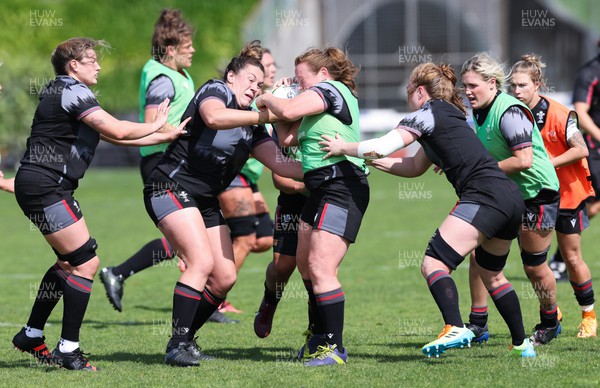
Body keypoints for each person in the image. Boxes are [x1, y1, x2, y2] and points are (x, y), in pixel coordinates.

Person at [321, 62, 535, 358]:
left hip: (484, 195)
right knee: (493, 275)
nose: (407, 97)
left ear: (420, 91)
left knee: (433, 263)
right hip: (509, 198)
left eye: (409, 91)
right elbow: (412, 166)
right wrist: (363, 160)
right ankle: (522, 345)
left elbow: (382, 147)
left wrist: (343, 147)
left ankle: (455, 326)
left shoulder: (427, 113)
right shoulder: (449, 115)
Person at [11, 37, 186, 371]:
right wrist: (153, 126)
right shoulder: (73, 91)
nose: (99, 65)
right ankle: (68, 349)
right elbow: (118, 128)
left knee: (69, 263)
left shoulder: (61, 91)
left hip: (42, 184)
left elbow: (114, 135)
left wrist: (163, 135)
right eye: (92, 59)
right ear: (73, 65)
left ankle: (32, 334)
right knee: (86, 263)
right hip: (46, 185)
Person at [142, 41, 303, 367]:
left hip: (203, 200)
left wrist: (337, 167)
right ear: (231, 76)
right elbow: (213, 118)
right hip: (169, 186)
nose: (255, 87)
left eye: (260, 84)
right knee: (200, 263)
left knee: (224, 277)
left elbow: (285, 167)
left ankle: (185, 339)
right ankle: (176, 345)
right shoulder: (216, 91)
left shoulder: (251, 126)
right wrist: (263, 114)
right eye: (250, 79)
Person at [97, 9, 236, 324]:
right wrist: (168, 132)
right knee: (192, 244)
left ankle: (121, 274)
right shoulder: (161, 78)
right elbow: (149, 126)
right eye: (188, 44)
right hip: (163, 163)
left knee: (187, 242)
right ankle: (194, 302)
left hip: (179, 163)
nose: (193, 49)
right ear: (170, 48)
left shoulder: (178, 74)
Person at [256, 47, 370, 366]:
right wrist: (278, 101)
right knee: (305, 265)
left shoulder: (331, 89)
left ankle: (334, 349)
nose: (300, 85)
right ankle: (319, 337)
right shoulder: (315, 105)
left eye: (303, 79)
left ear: (322, 74)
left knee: (321, 267)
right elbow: (288, 140)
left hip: (342, 186)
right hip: (321, 187)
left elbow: (289, 110)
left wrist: (268, 95)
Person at [461, 52, 561, 346]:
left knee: (533, 266)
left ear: (492, 83)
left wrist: (479, 170)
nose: (467, 92)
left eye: (472, 86)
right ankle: (478, 324)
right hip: (506, 193)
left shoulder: (510, 111)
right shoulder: (478, 112)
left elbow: (524, 160)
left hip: (537, 194)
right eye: (464, 87)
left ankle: (550, 320)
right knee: (479, 254)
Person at [509, 54, 597, 338]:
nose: (517, 91)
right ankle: (551, 314)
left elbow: (581, 149)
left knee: (571, 257)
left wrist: (545, 162)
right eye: (513, 86)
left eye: (522, 85)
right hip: (535, 196)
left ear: (538, 85)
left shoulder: (560, 113)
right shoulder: (511, 112)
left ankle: (588, 316)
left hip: (567, 193)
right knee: (536, 262)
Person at [215, 48, 279, 314]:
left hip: (249, 178)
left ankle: (212, 252)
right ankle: (217, 297)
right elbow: (215, 117)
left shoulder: (266, 97)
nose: (273, 70)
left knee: (264, 238)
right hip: (233, 176)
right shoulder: (225, 96)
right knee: (244, 237)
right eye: (267, 65)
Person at [254, 98, 308, 338]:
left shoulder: (323, 123)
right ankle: (269, 302)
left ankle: (318, 331)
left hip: (324, 202)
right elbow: (281, 181)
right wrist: (312, 184)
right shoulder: (279, 128)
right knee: (282, 267)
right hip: (292, 203)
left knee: (316, 268)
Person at [551, 40, 600, 279]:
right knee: (592, 206)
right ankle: (561, 259)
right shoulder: (590, 72)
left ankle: (561, 259)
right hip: (595, 150)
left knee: (594, 206)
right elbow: (580, 112)